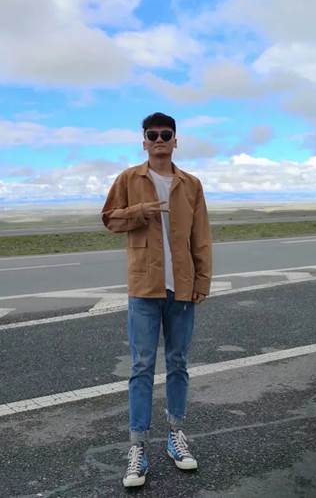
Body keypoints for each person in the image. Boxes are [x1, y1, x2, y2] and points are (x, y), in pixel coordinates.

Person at [101, 112, 212, 487]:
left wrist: (202, 280)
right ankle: (137, 448)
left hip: (181, 288)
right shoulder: (129, 179)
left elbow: (201, 237)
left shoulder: (191, 184)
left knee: (178, 363)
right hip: (144, 289)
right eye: (153, 134)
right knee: (142, 366)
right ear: (144, 141)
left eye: (166, 134)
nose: (160, 140)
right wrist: (139, 212)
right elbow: (109, 219)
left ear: (176, 140)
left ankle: (176, 435)